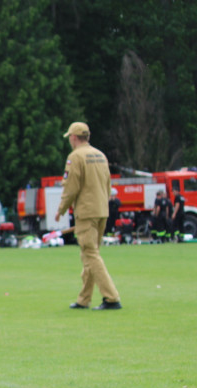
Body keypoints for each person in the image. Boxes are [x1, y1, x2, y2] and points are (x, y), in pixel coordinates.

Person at [53, 122, 121, 310]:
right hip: (101, 210)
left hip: (86, 211)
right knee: (90, 255)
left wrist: (61, 209)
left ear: (74, 137)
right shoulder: (100, 155)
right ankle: (84, 298)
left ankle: (111, 297)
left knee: (90, 254)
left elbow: (71, 187)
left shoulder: (75, 157)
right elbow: (108, 184)